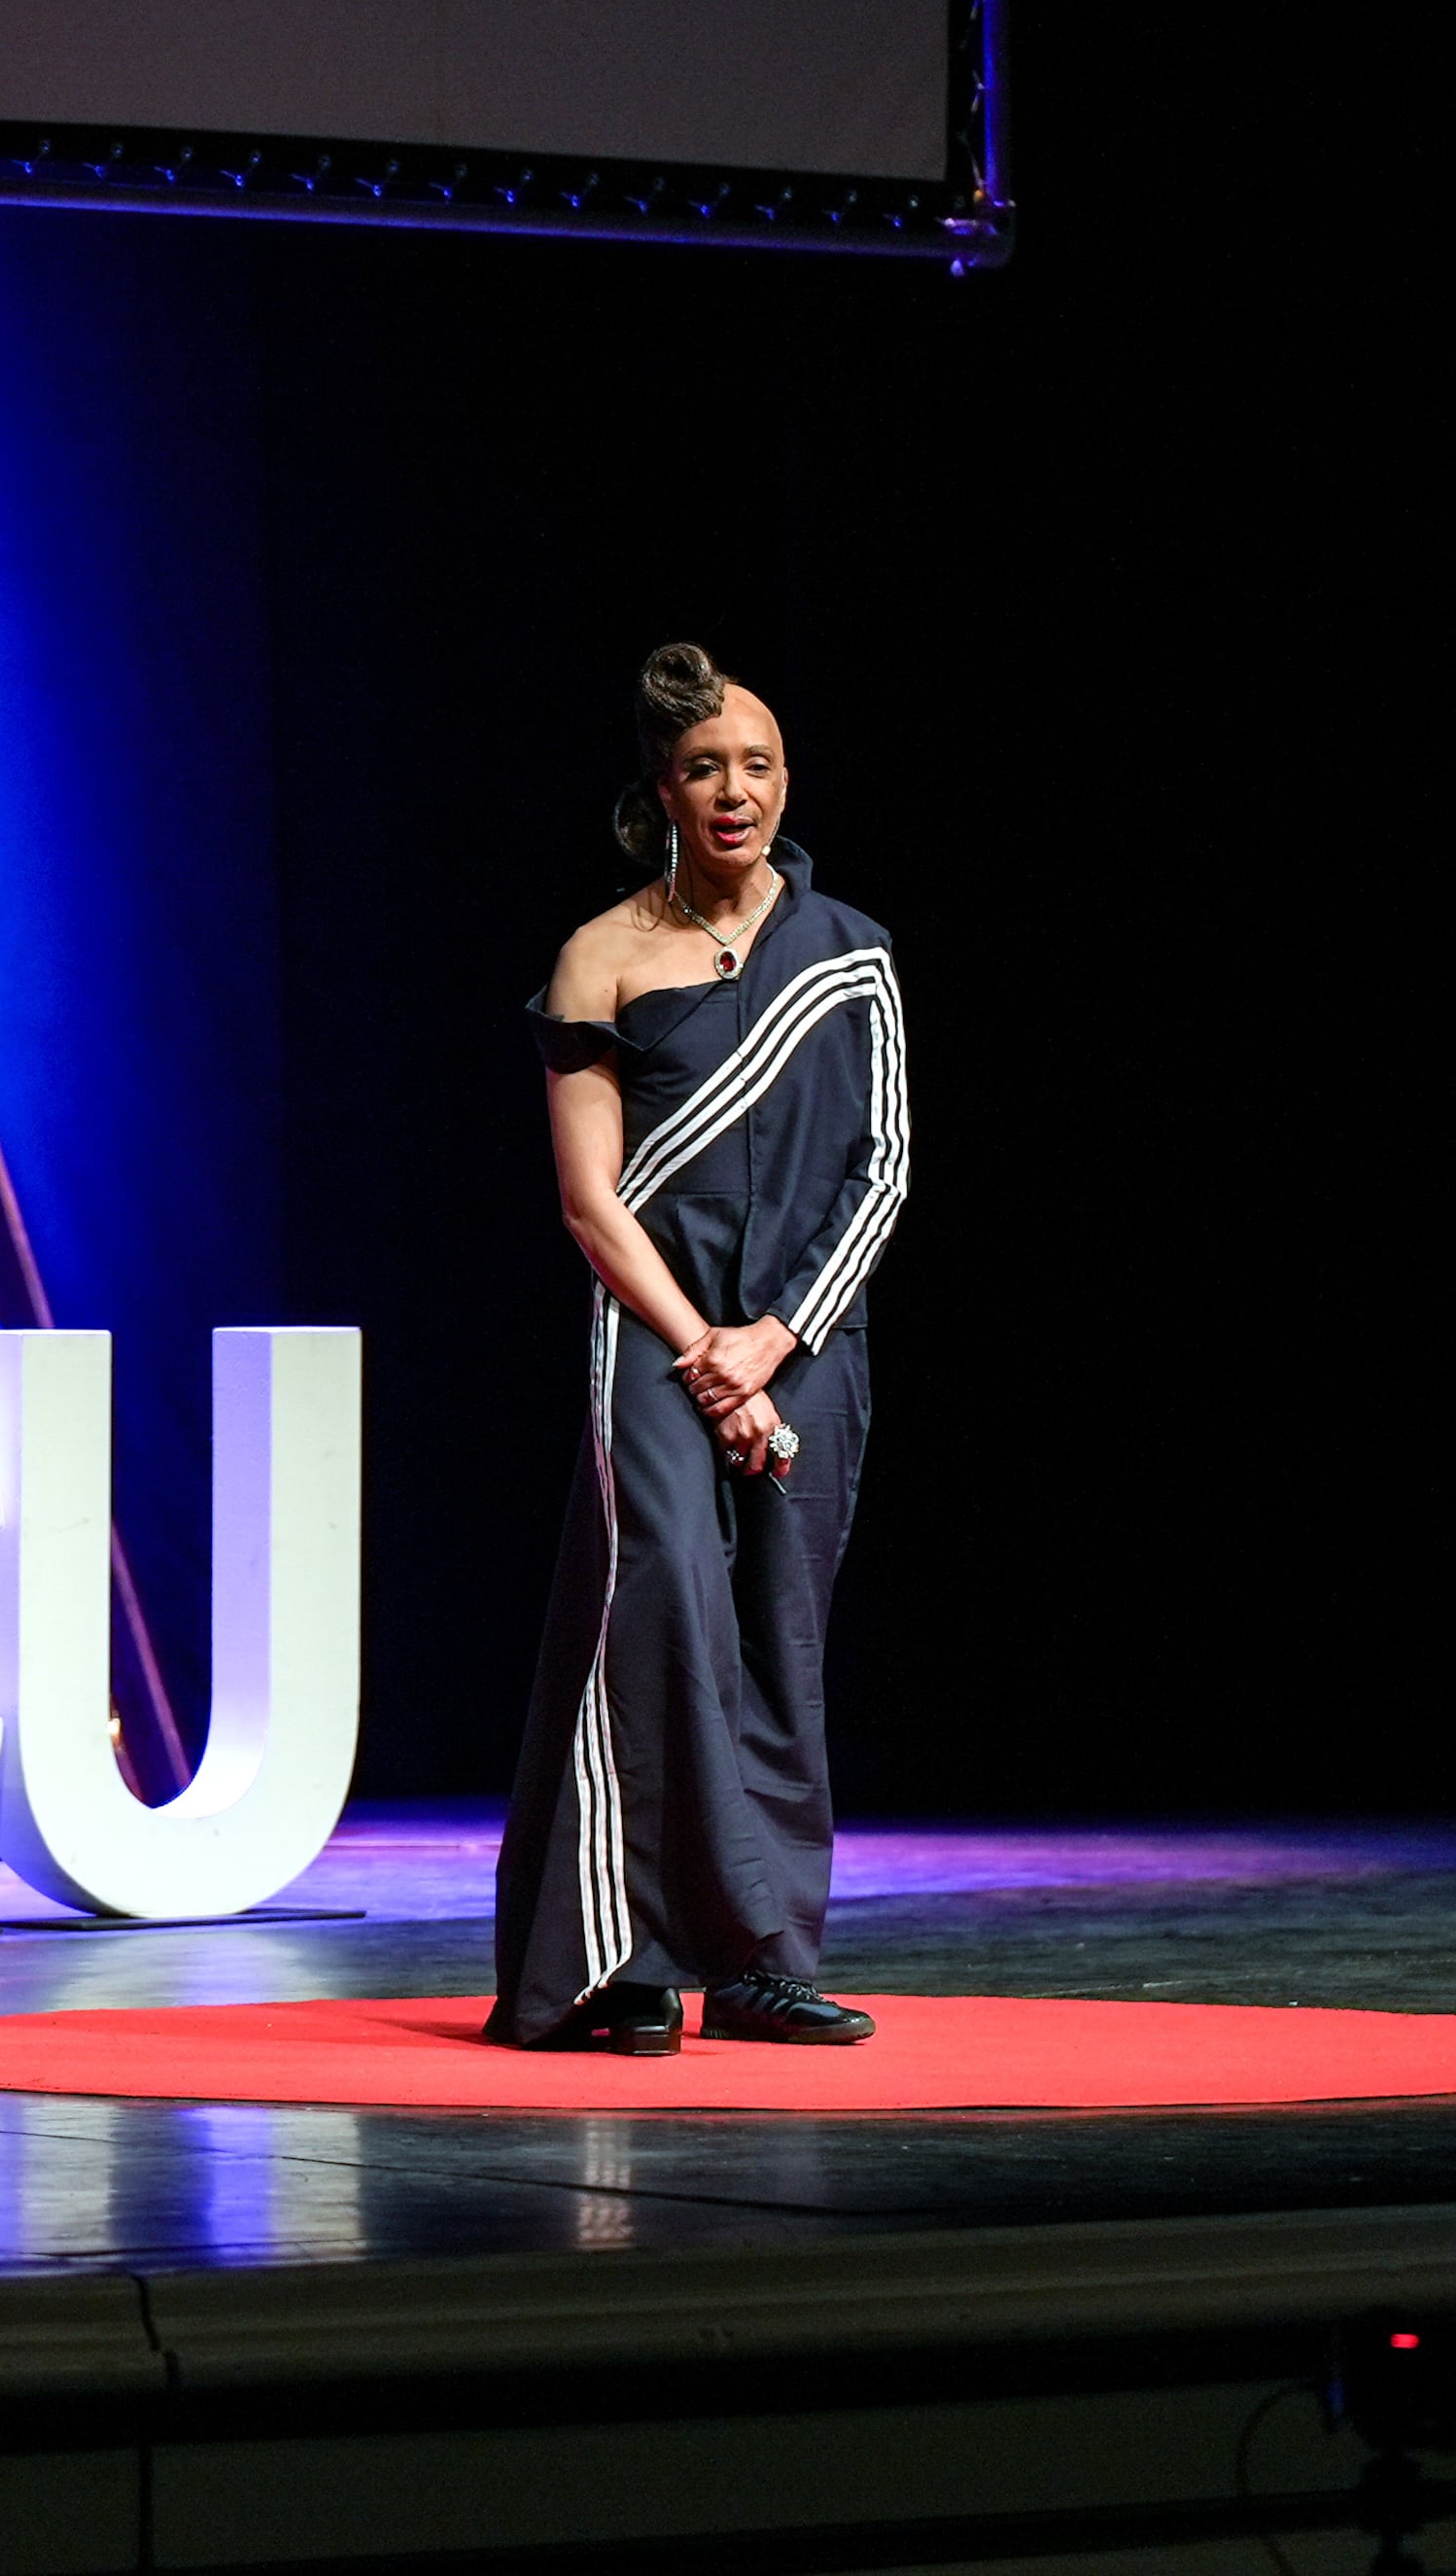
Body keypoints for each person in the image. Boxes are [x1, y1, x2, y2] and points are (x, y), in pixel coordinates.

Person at [487, 644, 908, 2054]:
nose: (732, 790)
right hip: (657, 1332)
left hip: (805, 1330)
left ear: (785, 783)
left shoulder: (850, 952)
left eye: (756, 765)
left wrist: (774, 1338)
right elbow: (588, 1198)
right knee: (658, 1598)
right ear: (658, 789)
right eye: (702, 767)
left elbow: (884, 1166)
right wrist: (704, 1350)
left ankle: (763, 1960)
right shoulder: (598, 956)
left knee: (780, 1639)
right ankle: (617, 1960)